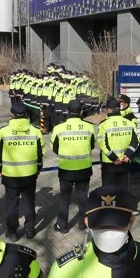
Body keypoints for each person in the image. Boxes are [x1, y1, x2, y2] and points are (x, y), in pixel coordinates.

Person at [0, 101, 44, 239]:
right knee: (29, 202)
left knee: (12, 204)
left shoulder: (3, 131)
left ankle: (12, 232)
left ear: (12, 114)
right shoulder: (35, 131)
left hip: (10, 175)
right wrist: (38, 168)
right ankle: (30, 229)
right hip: (29, 174)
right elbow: (40, 153)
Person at [51, 99, 96, 234]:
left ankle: (62, 225)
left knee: (65, 198)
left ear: (67, 111)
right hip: (84, 169)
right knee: (83, 197)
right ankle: (82, 223)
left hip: (66, 170)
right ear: (81, 111)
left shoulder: (59, 128)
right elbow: (92, 145)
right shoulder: (89, 127)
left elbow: (55, 148)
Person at [97, 97, 139, 192]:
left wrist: (114, 158)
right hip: (124, 162)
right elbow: (136, 141)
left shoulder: (104, 124)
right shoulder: (129, 122)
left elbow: (102, 143)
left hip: (109, 163)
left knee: (108, 193)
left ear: (109, 110)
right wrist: (127, 155)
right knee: (123, 191)